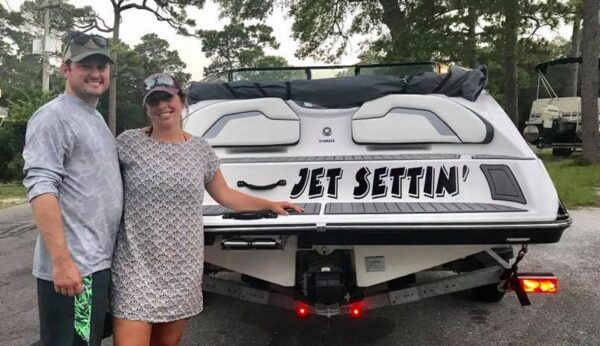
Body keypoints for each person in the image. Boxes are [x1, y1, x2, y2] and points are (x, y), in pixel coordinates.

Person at [110, 73, 303, 346]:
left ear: (182, 100)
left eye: (167, 97)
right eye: (154, 100)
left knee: (168, 343)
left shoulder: (200, 150)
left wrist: (269, 204)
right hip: (135, 264)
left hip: (181, 266)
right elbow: (100, 186)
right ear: (146, 107)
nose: (162, 105)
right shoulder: (127, 144)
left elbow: (224, 194)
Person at [22, 32, 122, 346]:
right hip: (75, 270)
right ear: (65, 69)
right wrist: (62, 262)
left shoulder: (93, 117)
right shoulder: (54, 117)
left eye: (102, 66)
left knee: (86, 341)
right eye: (85, 65)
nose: (96, 73)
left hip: (95, 264)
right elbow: (41, 188)